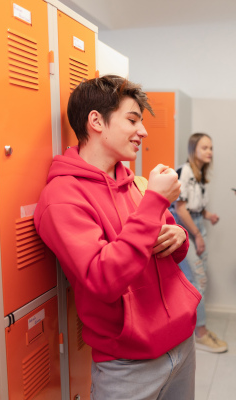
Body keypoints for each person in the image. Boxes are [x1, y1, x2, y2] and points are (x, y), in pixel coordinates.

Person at [34, 75, 200, 400]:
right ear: (96, 120)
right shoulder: (62, 197)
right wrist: (155, 201)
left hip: (182, 343)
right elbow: (103, 278)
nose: (143, 131)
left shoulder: (136, 183)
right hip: (128, 365)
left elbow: (173, 247)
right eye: (132, 120)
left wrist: (177, 236)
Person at [173, 133, 228, 353]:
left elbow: (194, 206)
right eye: (205, 148)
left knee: (199, 282)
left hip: (196, 224)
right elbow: (180, 208)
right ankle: (200, 333)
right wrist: (196, 234)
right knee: (198, 281)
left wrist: (208, 215)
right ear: (193, 149)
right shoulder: (184, 171)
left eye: (211, 148)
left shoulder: (200, 173)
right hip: (187, 229)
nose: (209, 152)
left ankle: (196, 329)